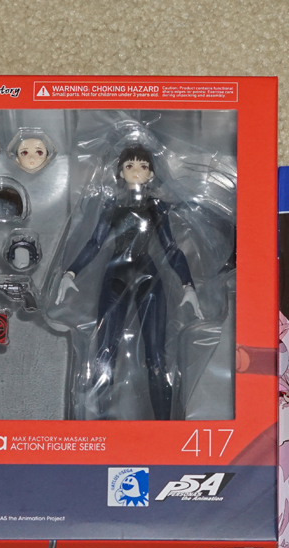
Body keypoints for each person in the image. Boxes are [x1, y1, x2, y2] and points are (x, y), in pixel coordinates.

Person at [56, 145, 203, 420]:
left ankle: (166, 427)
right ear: (120, 172)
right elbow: (94, 243)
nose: (136, 171)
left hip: (149, 276)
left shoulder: (156, 206)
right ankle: (103, 424)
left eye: (143, 166)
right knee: (104, 354)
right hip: (116, 275)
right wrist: (70, 273)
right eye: (129, 166)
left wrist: (188, 285)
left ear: (151, 174)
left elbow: (171, 248)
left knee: (157, 358)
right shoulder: (112, 205)